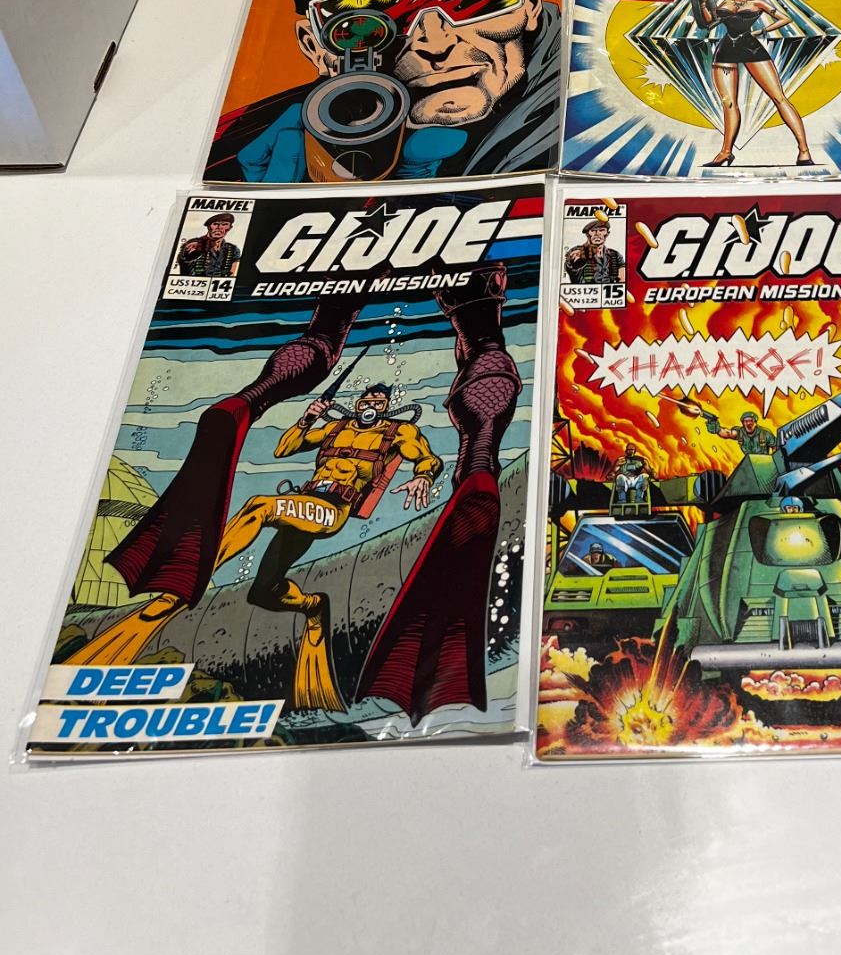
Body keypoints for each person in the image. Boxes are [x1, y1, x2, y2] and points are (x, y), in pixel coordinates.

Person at [68, 267, 521, 723]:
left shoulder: (397, 431)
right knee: (265, 591)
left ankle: (187, 585)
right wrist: (308, 419)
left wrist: (423, 475)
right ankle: (313, 608)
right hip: (304, 505)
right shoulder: (335, 427)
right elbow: (285, 447)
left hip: (332, 509)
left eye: (378, 403)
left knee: (258, 507)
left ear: (388, 407)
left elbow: (426, 459)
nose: (370, 406)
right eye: (367, 401)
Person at [212, 0, 561, 182]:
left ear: (530, 3)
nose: (436, 45)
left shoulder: (578, 108)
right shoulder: (241, 144)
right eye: (376, 20)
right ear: (315, 47)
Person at [691, 0, 814, 167]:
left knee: (779, 98)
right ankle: (725, 152)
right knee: (728, 103)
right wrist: (703, 4)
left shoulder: (757, 3)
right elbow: (709, 22)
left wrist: (762, 31)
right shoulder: (724, 3)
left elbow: (785, 19)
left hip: (751, 48)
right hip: (726, 50)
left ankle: (804, 150)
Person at [176, 213, 240, 278]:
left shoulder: (233, 249)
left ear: (230, 228)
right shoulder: (195, 243)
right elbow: (185, 268)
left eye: (224, 224)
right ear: (209, 226)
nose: (219, 228)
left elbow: (233, 274)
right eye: (215, 224)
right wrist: (189, 256)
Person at [564, 218, 622, 286]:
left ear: (607, 234)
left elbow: (622, 279)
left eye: (602, 230)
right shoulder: (578, 251)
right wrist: (578, 260)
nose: (597, 234)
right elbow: (572, 266)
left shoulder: (615, 255)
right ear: (587, 234)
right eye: (593, 231)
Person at [701, 409, 777, 457]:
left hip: (765, 463)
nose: (748, 423)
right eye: (746, 421)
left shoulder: (765, 433)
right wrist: (717, 429)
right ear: (743, 423)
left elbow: (775, 448)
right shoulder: (740, 433)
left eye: (751, 421)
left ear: (755, 422)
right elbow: (728, 433)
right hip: (749, 464)